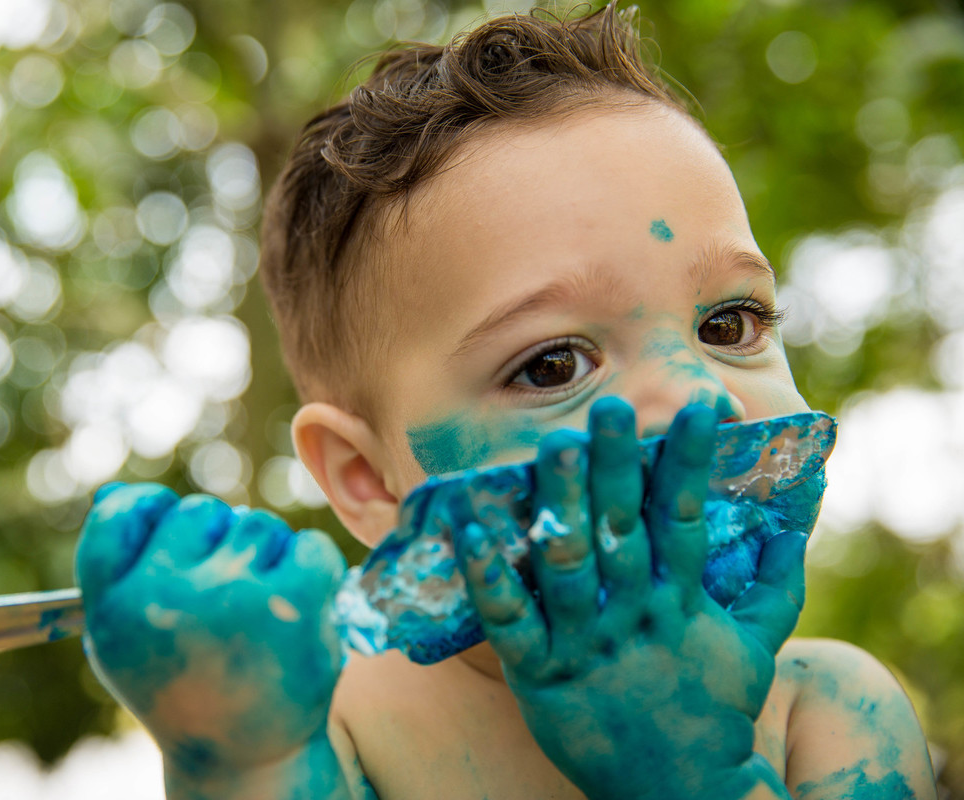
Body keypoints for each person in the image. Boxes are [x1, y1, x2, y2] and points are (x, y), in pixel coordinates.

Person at [73, 4, 938, 798]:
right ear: (369, 479)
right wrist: (241, 757)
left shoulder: (829, 715)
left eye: (730, 322)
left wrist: (699, 775)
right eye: (555, 364)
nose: (697, 400)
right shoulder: (333, 727)